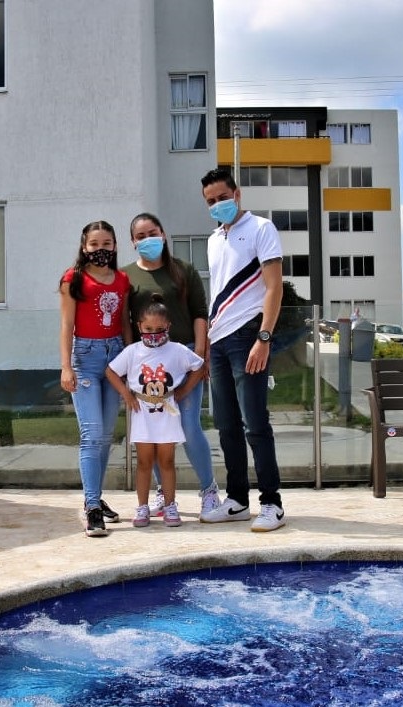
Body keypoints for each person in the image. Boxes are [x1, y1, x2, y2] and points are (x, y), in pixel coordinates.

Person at [197, 168, 286, 532]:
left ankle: (272, 503)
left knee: (255, 423)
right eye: (210, 202)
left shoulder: (262, 229)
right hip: (218, 340)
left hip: (249, 335)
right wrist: (206, 348)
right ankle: (237, 500)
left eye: (222, 197)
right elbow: (217, 292)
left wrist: (263, 338)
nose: (217, 205)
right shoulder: (213, 239)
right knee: (227, 425)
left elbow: (273, 287)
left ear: (237, 194)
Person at [121, 213, 220, 518]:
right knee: (152, 433)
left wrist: (200, 358)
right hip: (148, 367)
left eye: (152, 232)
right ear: (133, 242)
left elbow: (200, 313)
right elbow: (127, 323)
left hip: (185, 358)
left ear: (163, 234)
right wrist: (130, 361)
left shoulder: (183, 270)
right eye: (140, 236)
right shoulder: (126, 277)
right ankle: (163, 494)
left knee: (188, 427)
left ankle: (209, 491)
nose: (147, 239)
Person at [106, 294, 206, 528]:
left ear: (168, 326)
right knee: (143, 461)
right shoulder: (132, 352)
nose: (153, 333)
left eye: (159, 328)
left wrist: (182, 391)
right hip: (142, 413)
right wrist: (126, 393)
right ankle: (142, 506)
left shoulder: (177, 350)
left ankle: (170, 505)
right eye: (148, 328)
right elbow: (110, 371)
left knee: (167, 461)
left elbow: (199, 367)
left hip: (167, 414)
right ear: (139, 326)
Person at [59, 221, 129, 537]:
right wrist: (66, 367)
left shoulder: (122, 280)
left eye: (107, 243)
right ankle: (91, 508)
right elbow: (66, 325)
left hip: (115, 357)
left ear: (114, 246)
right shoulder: (73, 279)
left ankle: (96, 496)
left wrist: (130, 360)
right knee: (92, 433)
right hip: (85, 359)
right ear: (84, 246)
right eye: (94, 244)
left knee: (105, 436)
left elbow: (125, 323)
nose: (100, 249)